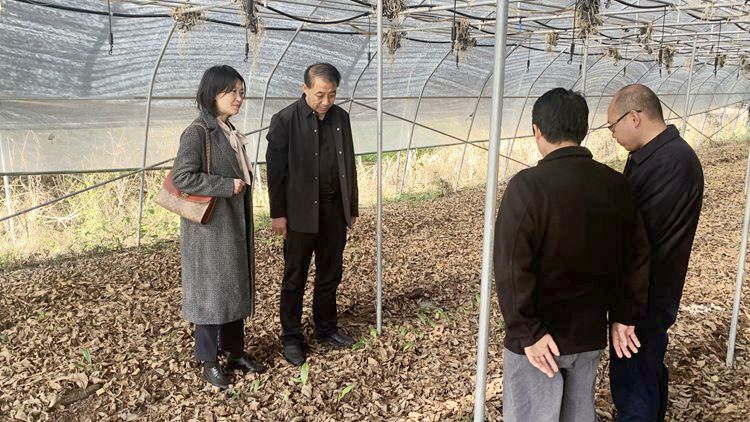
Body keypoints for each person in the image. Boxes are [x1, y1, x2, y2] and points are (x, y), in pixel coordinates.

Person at [494, 88, 650, 421]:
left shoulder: (528, 187)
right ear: (583, 129)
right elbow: (636, 257)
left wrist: (528, 332)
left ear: (537, 130)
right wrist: (625, 314)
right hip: (587, 335)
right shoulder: (615, 185)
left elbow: (511, 266)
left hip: (539, 341)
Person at [606, 84, 704, 421]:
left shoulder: (671, 163)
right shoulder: (654, 157)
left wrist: (626, 312)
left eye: (613, 126)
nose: (613, 135)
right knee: (647, 375)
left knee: (635, 389)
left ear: (634, 117)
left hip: (644, 300)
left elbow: (640, 244)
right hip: (646, 297)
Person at [172, 65, 265, 390]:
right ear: (213, 94)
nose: (239, 98)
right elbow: (182, 177)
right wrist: (226, 185)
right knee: (211, 294)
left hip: (232, 224)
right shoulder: (198, 132)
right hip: (209, 230)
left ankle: (235, 353)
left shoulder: (228, 130)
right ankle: (209, 361)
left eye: (241, 92)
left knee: (234, 288)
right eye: (232, 92)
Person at [266, 63, 359, 366]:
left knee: (330, 273)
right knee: (295, 276)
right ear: (305, 88)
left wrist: (351, 207)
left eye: (332, 95)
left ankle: (326, 327)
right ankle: (291, 337)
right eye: (320, 94)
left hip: (334, 210)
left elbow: (348, 165)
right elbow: (276, 172)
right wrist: (278, 214)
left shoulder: (340, 118)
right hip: (299, 213)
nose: (326, 101)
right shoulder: (285, 120)